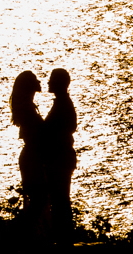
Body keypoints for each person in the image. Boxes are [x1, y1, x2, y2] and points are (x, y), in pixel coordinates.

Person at [10, 71, 47, 236]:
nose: (39, 82)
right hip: (32, 160)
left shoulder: (27, 109)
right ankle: (18, 234)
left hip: (32, 158)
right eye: (35, 81)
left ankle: (23, 234)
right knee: (39, 201)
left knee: (37, 201)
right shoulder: (28, 111)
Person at [44, 68, 78, 247]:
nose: (48, 83)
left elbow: (62, 129)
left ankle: (64, 240)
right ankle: (63, 237)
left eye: (51, 80)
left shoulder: (63, 105)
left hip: (60, 159)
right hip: (61, 158)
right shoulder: (62, 103)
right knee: (60, 199)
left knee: (60, 200)